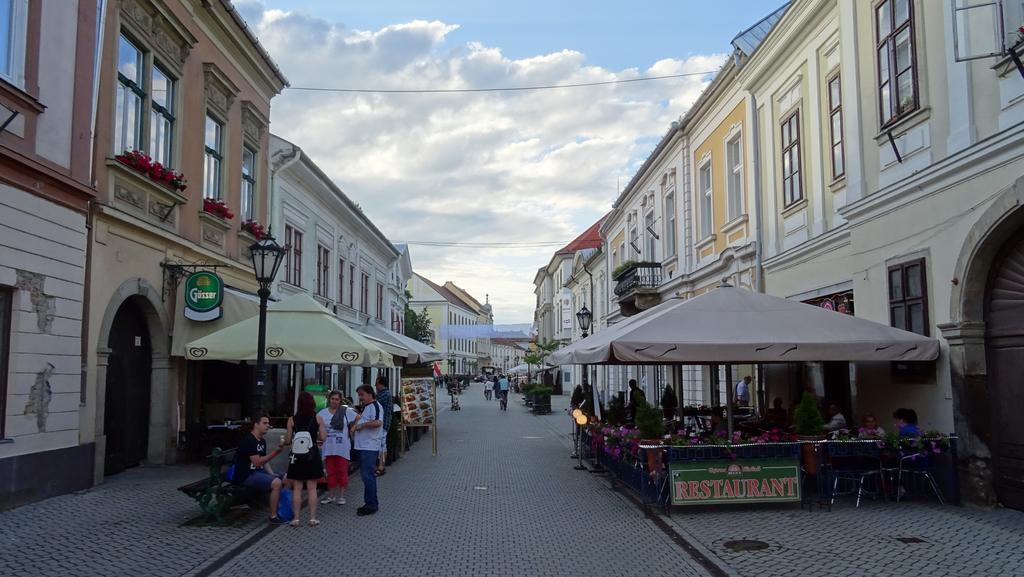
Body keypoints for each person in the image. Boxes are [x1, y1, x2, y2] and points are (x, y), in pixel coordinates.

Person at [233, 414, 287, 524]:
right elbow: (257, 462)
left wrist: (271, 473)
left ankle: (283, 508)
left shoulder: (262, 441)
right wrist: (276, 452)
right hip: (246, 475)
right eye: (265, 423)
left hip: (257, 472)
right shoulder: (249, 440)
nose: (268, 425)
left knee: (286, 477)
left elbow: (264, 461)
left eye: (268, 423)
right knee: (276, 483)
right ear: (256, 425)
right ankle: (273, 516)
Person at [284, 392, 327, 527]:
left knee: (297, 488)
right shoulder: (318, 418)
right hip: (312, 456)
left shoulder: (292, 420)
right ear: (312, 403)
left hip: (297, 457)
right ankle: (312, 518)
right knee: (312, 488)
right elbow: (323, 437)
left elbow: (288, 440)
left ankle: (296, 519)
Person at [317, 390, 359, 506]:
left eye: (337, 399)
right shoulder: (322, 413)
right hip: (328, 447)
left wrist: (353, 428)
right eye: (332, 399)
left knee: (342, 471)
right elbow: (316, 426)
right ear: (329, 399)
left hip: (342, 448)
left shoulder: (346, 412)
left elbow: (359, 417)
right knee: (330, 472)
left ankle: (341, 496)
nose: (334, 401)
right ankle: (330, 496)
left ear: (340, 400)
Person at [354, 384, 385, 516]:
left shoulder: (375, 406)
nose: (360, 398)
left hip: (370, 446)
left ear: (370, 394)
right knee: (365, 476)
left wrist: (362, 425)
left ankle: (371, 505)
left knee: (368, 476)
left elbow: (378, 422)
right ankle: (369, 503)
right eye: (359, 395)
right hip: (363, 445)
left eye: (362, 395)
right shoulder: (366, 407)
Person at [374, 375, 392, 477]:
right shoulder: (383, 393)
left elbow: (373, 402)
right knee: (381, 445)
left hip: (383, 424)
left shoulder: (384, 394)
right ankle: (380, 466)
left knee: (382, 446)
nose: (375, 385)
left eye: (376, 383)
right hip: (383, 424)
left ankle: (381, 467)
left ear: (381, 384)